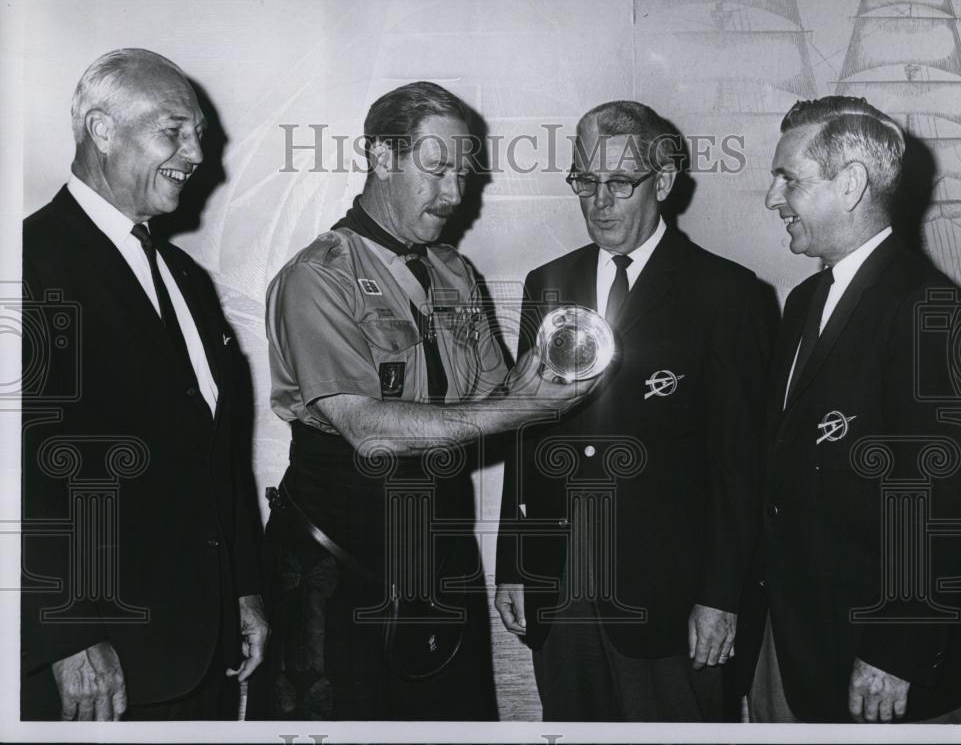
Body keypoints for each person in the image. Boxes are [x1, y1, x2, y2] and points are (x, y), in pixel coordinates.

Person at [253, 81, 597, 720]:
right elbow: (368, 431)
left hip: (441, 549)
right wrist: (523, 407)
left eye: (462, 173)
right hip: (342, 560)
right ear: (382, 156)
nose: (453, 193)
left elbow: (495, 395)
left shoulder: (453, 272)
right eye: (436, 169)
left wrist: (561, 365)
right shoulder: (318, 276)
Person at [494, 100, 777, 721]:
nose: (599, 202)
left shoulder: (728, 294)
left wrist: (721, 597)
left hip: (672, 599)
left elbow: (740, 468)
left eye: (620, 183)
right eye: (585, 181)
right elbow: (524, 433)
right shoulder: (547, 283)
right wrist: (515, 563)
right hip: (561, 586)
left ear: (664, 182)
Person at [21, 48, 268, 721]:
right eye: (173, 131)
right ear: (102, 129)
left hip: (202, 651)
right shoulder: (28, 264)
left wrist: (242, 589)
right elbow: (21, 474)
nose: (197, 155)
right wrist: (67, 635)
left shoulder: (186, 277)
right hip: (99, 666)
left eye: (199, 134)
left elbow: (218, 454)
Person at [744, 95, 961, 723]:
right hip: (794, 643)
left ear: (849, 185)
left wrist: (898, 648)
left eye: (788, 178)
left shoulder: (928, 311)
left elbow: (940, 501)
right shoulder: (803, 302)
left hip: (874, 667)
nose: (772, 197)